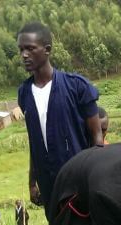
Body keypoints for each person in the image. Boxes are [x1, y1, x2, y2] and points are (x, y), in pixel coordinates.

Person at [17, 22, 104, 213]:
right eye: (21, 49)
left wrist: (94, 177)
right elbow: (35, 141)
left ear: (47, 50)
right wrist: (32, 182)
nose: (24, 55)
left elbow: (97, 137)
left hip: (78, 179)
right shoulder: (24, 93)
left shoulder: (77, 87)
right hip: (48, 184)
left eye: (30, 49)